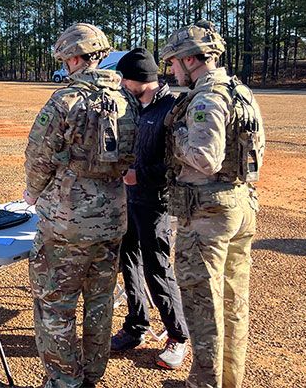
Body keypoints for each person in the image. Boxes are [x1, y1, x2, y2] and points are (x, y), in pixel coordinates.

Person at [23, 23, 138, 388]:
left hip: (67, 223)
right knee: (101, 302)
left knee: (55, 305)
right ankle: (91, 375)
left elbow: (38, 157)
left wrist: (32, 193)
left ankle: (63, 381)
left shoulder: (65, 100)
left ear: (74, 58)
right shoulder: (127, 99)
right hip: (113, 218)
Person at [161, 20, 265, 388]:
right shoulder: (240, 90)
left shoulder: (206, 97)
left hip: (208, 213)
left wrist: (176, 135)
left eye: (173, 62)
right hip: (239, 204)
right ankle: (228, 379)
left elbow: (206, 158)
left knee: (204, 307)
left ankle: (204, 384)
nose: (171, 70)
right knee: (233, 303)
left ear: (192, 60)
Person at [109, 48, 190, 369]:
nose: (122, 84)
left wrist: (139, 174)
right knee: (127, 262)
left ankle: (178, 336)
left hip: (155, 202)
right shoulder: (132, 106)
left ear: (142, 79)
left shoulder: (173, 109)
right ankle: (136, 325)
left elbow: (179, 163)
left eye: (126, 79)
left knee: (157, 269)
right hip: (129, 200)